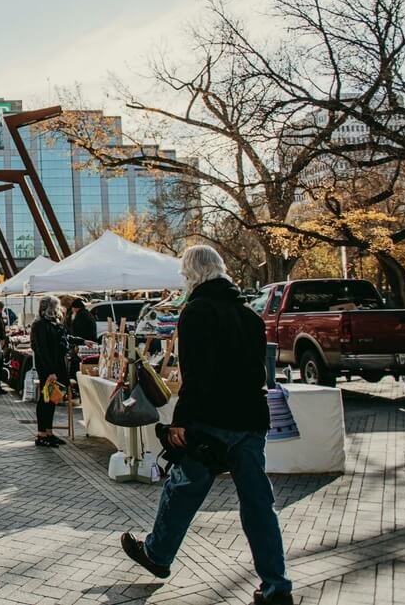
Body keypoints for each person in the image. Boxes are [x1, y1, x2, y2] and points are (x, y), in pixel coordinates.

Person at [121, 246, 292, 605]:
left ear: (192, 275)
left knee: (181, 489)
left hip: (212, 421)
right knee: (258, 504)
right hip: (250, 419)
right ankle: (276, 584)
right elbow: (259, 372)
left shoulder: (196, 312)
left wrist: (180, 421)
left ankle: (158, 553)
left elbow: (195, 375)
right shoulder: (249, 315)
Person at [30, 295, 69, 447]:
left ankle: (49, 431)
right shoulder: (39, 324)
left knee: (51, 399)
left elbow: (62, 338)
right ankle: (41, 434)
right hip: (48, 367)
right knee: (46, 400)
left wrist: (82, 341)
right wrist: (50, 370)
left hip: (56, 365)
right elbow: (42, 349)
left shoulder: (53, 323)